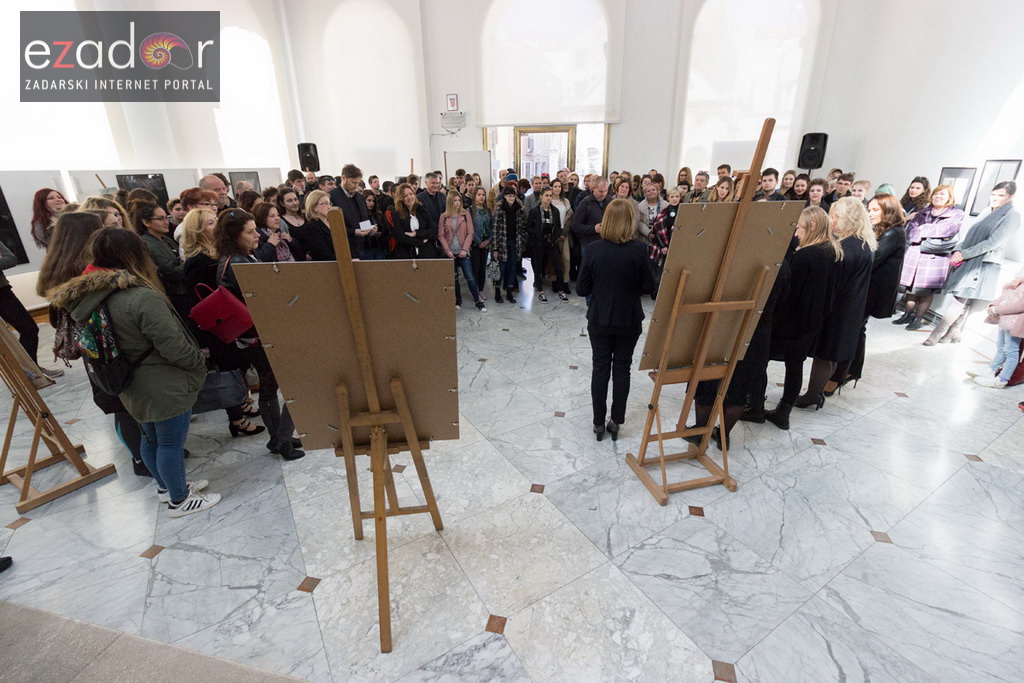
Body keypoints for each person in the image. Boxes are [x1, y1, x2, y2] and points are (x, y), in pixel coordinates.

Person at [51, 229, 219, 516]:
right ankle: (180, 499)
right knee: (170, 443)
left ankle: (167, 487)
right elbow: (172, 343)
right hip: (160, 382)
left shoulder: (94, 294)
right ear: (134, 256)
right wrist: (196, 362)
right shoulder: (139, 297)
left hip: (130, 380)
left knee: (151, 439)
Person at [216, 209, 304, 460]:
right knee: (292, 384)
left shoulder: (230, 259)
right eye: (250, 231)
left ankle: (277, 438)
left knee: (269, 384)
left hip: (249, 335)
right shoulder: (239, 263)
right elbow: (263, 300)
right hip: (260, 334)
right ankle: (283, 440)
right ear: (234, 236)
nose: (257, 235)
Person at [180, 208, 265, 438]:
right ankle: (236, 419)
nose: (215, 226)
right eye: (209, 223)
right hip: (217, 324)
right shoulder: (197, 260)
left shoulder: (217, 253)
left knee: (238, 367)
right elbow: (195, 303)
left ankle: (242, 403)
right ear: (197, 230)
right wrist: (202, 340)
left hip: (230, 318)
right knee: (228, 371)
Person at [576, 198, 655, 440]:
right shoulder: (640, 251)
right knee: (622, 368)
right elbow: (650, 286)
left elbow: (581, 288)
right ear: (630, 222)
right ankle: (616, 420)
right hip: (629, 318)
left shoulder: (592, 250)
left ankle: (598, 422)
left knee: (600, 369)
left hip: (599, 317)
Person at [794, 198, 876, 411]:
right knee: (831, 353)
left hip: (838, 308)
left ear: (846, 218)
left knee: (825, 353)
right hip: (851, 309)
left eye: (834, 216)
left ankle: (812, 394)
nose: (831, 221)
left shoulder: (847, 247)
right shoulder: (863, 243)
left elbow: (835, 280)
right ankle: (817, 392)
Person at [762, 208, 840, 429]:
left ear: (812, 226)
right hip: (812, 320)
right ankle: (784, 411)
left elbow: (789, 291)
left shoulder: (806, 254)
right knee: (795, 365)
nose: (796, 233)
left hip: (790, 319)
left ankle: (754, 404)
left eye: (799, 227)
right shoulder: (833, 251)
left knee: (762, 359)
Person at [825, 194, 906, 393]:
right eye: (869, 209)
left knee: (852, 333)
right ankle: (850, 371)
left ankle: (840, 375)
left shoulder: (893, 233)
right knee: (857, 331)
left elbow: (873, 258)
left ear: (888, 211)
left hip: (872, 292)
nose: (870, 214)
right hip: (868, 289)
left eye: (876, 210)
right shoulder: (882, 231)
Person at [925, 181, 1020, 345]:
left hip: (984, 264)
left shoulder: (1012, 216)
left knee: (960, 298)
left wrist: (963, 254)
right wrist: (957, 250)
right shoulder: (986, 210)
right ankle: (953, 333)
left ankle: (938, 332)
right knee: (962, 298)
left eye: (1001, 195)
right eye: (993, 194)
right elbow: (969, 234)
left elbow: (993, 243)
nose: (995, 198)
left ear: (1011, 197)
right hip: (968, 258)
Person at [894, 185, 964, 330]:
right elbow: (910, 233)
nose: (938, 197)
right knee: (911, 288)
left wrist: (922, 229)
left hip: (934, 258)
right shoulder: (924, 212)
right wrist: (926, 233)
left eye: (942, 195)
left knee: (926, 291)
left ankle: (918, 319)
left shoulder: (956, 214)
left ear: (949, 198)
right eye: (936, 195)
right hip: (915, 255)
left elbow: (946, 230)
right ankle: (907, 314)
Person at [130, 200, 188, 319]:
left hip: (181, 292)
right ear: (146, 222)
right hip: (174, 295)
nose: (166, 222)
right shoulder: (147, 244)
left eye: (166, 218)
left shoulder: (165, 239)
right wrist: (192, 260)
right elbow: (172, 272)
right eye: (160, 219)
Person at [439, 192, 486, 312]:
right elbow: (441, 235)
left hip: (463, 252)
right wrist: (447, 251)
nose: (457, 203)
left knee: (470, 276)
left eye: (458, 200)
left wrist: (465, 249)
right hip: (450, 252)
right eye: (454, 200)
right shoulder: (443, 216)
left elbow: (470, 233)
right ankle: (458, 299)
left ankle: (477, 301)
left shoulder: (465, 215)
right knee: (454, 279)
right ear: (450, 202)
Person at [977, 279, 1024, 387]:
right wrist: (994, 306)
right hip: (1006, 319)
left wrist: (996, 309)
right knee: (1002, 347)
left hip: (1015, 321)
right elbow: (1006, 296)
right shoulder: (1018, 281)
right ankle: (991, 370)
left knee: (1011, 351)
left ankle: (1002, 379)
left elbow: (1020, 305)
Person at [526, 187, 568, 302]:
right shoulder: (534, 211)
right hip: (538, 243)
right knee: (538, 268)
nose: (549, 198)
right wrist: (536, 234)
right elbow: (528, 227)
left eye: (550, 196)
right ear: (541, 196)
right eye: (547, 195)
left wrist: (555, 236)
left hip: (551, 242)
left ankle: (561, 290)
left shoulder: (554, 211)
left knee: (558, 266)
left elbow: (558, 227)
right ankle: (540, 291)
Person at [330, 164, 380, 259]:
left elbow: (364, 217)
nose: (356, 186)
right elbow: (332, 225)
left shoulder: (359, 197)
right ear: (343, 178)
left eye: (358, 183)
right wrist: (353, 232)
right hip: (348, 247)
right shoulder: (332, 197)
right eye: (353, 182)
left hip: (365, 245)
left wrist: (369, 229)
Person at [491, 185, 526, 303]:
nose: (511, 198)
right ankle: (497, 292)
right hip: (502, 243)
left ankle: (510, 292)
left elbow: (522, 228)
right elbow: (495, 229)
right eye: (509, 196)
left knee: (512, 268)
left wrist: (521, 243)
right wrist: (494, 248)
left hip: (514, 243)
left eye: (513, 196)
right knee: (500, 268)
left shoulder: (520, 209)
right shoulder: (499, 208)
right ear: (505, 196)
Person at [385, 183, 435, 259]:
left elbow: (432, 230)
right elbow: (401, 237)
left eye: (411, 194)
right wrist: (420, 242)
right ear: (400, 198)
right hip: (406, 254)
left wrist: (415, 233)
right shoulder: (396, 214)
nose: (409, 197)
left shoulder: (422, 210)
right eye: (405, 196)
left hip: (426, 253)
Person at [290, 190, 336, 261]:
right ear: (314, 207)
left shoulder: (333, 221)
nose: (329, 207)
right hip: (326, 266)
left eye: (330, 203)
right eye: (325, 203)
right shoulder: (311, 227)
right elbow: (323, 253)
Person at [573, 177, 611, 254]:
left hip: (607, 243)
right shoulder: (585, 203)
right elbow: (575, 226)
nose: (603, 194)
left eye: (606, 191)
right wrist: (593, 228)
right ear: (594, 188)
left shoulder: (611, 202)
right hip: (590, 245)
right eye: (600, 191)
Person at [469, 187, 492, 298]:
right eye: (479, 194)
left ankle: (481, 289)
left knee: (483, 267)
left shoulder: (488, 210)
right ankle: (475, 290)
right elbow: (470, 229)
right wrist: (479, 242)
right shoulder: (469, 210)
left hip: (486, 242)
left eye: (483, 194)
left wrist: (489, 240)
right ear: (474, 196)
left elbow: (491, 226)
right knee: (476, 267)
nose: (481, 196)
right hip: (475, 243)